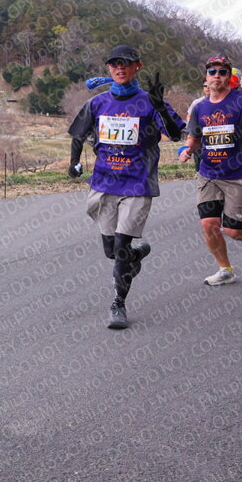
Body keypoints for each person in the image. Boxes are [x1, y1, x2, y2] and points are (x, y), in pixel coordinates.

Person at [68, 45, 185, 329]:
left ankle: (118, 303)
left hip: (137, 183)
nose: (120, 68)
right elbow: (78, 134)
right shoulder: (97, 103)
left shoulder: (148, 102)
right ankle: (135, 255)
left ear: (137, 67)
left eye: (126, 63)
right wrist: (73, 162)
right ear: (109, 68)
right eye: (114, 64)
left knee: (120, 247)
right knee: (111, 250)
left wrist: (160, 106)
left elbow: (175, 133)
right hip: (104, 182)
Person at [178, 56, 242, 285]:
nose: (217, 76)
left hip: (237, 175)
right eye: (212, 71)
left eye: (223, 72)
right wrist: (186, 150)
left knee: (233, 230)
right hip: (208, 174)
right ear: (206, 77)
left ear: (228, 77)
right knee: (209, 224)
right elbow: (194, 138)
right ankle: (225, 269)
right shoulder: (200, 107)